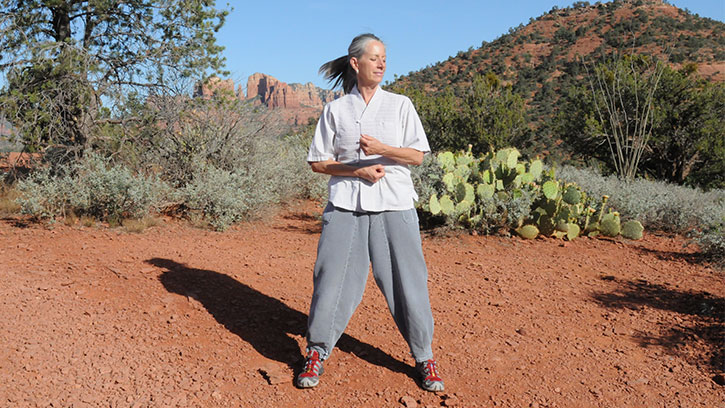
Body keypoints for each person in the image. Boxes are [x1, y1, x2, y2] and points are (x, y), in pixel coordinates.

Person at [297, 33, 444, 392]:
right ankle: (316, 351)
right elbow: (319, 163)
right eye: (374, 58)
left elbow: (417, 156)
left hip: (395, 203)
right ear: (355, 63)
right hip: (346, 205)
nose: (381, 64)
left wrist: (382, 149)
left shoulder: (400, 105)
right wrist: (356, 170)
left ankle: (424, 357)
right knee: (330, 281)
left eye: (384, 59)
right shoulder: (335, 110)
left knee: (409, 283)